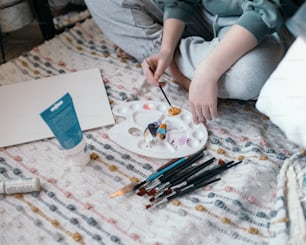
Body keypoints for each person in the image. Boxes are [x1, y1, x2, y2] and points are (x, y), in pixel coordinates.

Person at [85, 0, 302, 124]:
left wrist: (207, 72)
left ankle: (170, 62)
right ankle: (164, 58)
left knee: (251, 77)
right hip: (196, 12)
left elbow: (266, 11)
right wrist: (166, 49)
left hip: (254, 27)